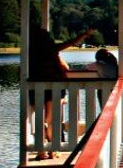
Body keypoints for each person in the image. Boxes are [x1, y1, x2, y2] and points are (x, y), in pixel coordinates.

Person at [27, 25, 96, 159]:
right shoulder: (51, 50)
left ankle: (42, 152)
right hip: (54, 88)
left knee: (40, 120)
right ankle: (53, 150)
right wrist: (85, 34)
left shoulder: (31, 52)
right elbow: (71, 43)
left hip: (36, 87)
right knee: (52, 120)